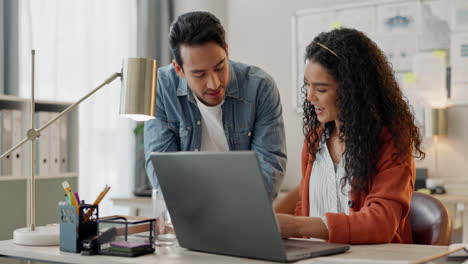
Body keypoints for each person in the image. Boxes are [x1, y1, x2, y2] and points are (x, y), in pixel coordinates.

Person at [274, 28, 425, 244]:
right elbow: (307, 205)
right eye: (307, 85)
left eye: (321, 89)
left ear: (352, 91)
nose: (309, 96)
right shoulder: (315, 138)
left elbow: (380, 223)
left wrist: (297, 226)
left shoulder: (391, 139)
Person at [144, 11, 287, 199]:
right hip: (188, 210)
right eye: (199, 74)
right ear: (179, 69)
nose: (214, 83)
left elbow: (270, 165)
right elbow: (161, 169)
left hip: (244, 206)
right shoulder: (161, 88)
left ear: (226, 51)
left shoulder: (260, 87)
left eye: (220, 67)